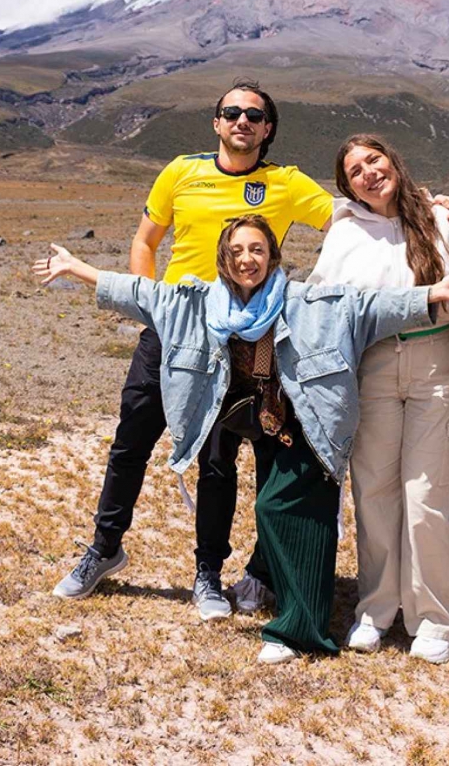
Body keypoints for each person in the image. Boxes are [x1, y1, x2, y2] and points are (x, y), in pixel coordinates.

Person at [34, 215, 449, 663]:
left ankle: (299, 630)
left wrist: (434, 294)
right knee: (276, 509)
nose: (247, 259)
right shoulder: (200, 305)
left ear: (273, 256)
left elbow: (368, 306)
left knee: (277, 507)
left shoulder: (305, 302)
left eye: (257, 249)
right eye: (236, 251)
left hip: (306, 425)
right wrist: (77, 268)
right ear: (223, 258)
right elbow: (141, 293)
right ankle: (297, 610)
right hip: (258, 421)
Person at [49, 80, 334, 622]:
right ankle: (104, 549)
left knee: (217, 460)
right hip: (172, 329)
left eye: (254, 115)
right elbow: (145, 241)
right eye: (232, 112)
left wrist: (426, 206)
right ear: (216, 122)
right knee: (131, 442)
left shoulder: (286, 183)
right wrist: (150, 309)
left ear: (268, 129)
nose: (242, 120)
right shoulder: (181, 171)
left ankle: (208, 574)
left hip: (238, 342)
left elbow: (349, 220)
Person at [307, 135, 449, 665]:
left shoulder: (441, 219)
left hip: (436, 363)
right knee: (373, 492)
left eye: (374, 160)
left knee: (426, 496)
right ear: (347, 187)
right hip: (372, 367)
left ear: (393, 160)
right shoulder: (345, 233)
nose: (368, 173)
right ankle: (375, 609)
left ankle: (434, 619)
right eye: (355, 171)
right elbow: (326, 301)